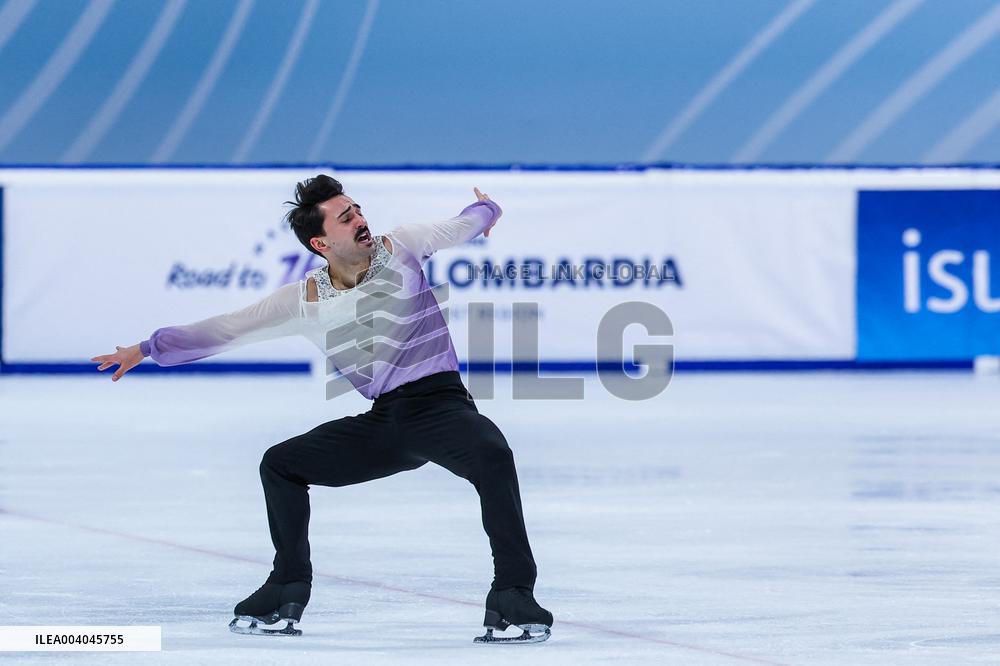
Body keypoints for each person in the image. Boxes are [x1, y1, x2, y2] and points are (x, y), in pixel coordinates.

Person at [91, 175, 553, 643]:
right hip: (385, 422)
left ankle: (512, 593)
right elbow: (224, 329)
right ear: (320, 241)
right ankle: (285, 587)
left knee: (493, 455)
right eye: (346, 217)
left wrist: (489, 210)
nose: (360, 219)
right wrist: (148, 347)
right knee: (281, 464)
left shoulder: (404, 248)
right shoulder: (304, 301)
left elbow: (461, 225)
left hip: (441, 407)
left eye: (358, 210)